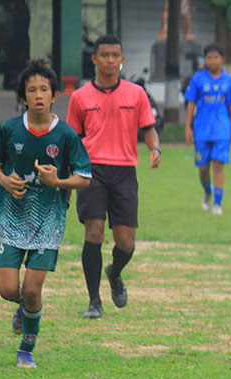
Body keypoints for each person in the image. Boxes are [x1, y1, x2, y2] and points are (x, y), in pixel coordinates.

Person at [0, 60, 91, 368]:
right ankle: (23, 308)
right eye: (31, 90)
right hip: (10, 219)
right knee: (9, 290)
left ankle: (26, 349)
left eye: (44, 89)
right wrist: (3, 179)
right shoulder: (9, 129)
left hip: (47, 221)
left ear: (55, 95)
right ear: (22, 97)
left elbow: (85, 177)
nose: (38, 95)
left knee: (33, 289)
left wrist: (58, 182)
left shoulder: (65, 135)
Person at [66, 34, 161, 320]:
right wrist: (68, 177)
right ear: (94, 60)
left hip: (124, 172)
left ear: (121, 60)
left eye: (115, 55)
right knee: (93, 232)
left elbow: (149, 127)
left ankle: (114, 272)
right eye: (104, 55)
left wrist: (154, 147)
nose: (110, 60)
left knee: (126, 242)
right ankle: (94, 301)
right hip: (91, 170)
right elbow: (72, 138)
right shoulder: (80, 97)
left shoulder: (136, 94)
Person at [184, 43, 231, 215]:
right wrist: (188, 126)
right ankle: (207, 191)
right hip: (202, 128)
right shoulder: (198, 79)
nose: (213, 61)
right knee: (203, 168)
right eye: (209, 57)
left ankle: (217, 204)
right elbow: (191, 103)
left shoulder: (229, 81)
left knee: (218, 165)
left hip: (222, 129)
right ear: (205, 59)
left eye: (216, 57)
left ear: (222, 59)